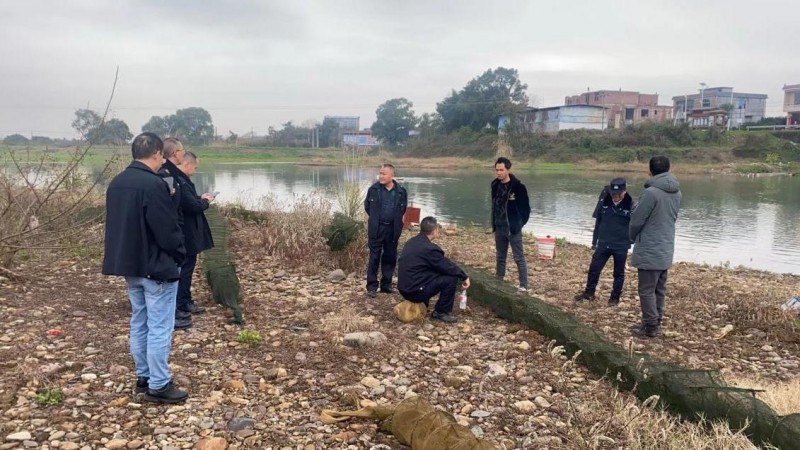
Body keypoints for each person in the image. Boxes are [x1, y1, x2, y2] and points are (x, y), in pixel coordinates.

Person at [102, 132, 188, 404]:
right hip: (157, 266)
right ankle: (159, 384)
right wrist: (180, 254)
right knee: (160, 326)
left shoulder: (117, 182)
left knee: (139, 321)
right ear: (156, 155)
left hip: (131, 265)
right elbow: (166, 229)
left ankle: (144, 376)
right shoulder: (153, 185)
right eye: (161, 155)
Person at [630, 156, 682, 338]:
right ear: (669, 169)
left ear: (650, 171)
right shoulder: (677, 192)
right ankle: (656, 320)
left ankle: (651, 325)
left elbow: (636, 220)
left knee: (646, 290)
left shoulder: (651, 193)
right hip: (666, 247)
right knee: (659, 288)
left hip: (650, 248)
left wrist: (631, 237)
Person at [398, 216, 470, 323]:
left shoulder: (411, 242)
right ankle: (441, 312)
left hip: (404, 288)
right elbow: (447, 266)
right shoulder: (429, 249)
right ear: (434, 231)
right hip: (414, 291)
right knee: (451, 278)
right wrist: (464, 276)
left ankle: (424, 302)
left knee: (431, 270)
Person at [574, 178, 633, 306]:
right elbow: (598, 222)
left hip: (621, 245)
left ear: (624, 192)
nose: (615, 197)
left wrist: (631, 241)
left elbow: (635, 226)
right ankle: (589, 293)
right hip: (604, 243)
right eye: (613, 194)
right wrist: (594, 241)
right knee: (593, 269)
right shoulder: (604, 201)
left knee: (618, 273)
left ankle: (614, 298)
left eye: (618, 194)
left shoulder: (631, 204)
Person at [175, 151, 215, 317]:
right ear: (187, 164)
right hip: (186, 234)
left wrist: (199, 197)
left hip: (183, 232)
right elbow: (192, 207)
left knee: (185, 268)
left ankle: (183, 300)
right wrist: (205, 202)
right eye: (195, 167)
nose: (195, 171)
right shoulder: (180, 181)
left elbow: (188, 201)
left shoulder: (178, 180)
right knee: (186, 268)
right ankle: (183, 302)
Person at [159, 138, 192, 330]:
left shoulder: (173, 173)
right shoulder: (167, 174)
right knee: (171, 274)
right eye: (182, 150)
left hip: (175, 229)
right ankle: (171, 315)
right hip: (171, 230)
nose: (183, 153)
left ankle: (174, 310)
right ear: (174, 153)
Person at [364, 163, 408, 298]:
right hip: (377, 228)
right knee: (374, 257)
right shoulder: (373, 189)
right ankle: (372, 287)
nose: (381, 176)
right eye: (380, 173)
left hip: (392, 229)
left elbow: (403, 209)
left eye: (384, 174)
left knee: (390, 256)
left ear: (392, 176)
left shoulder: (401, 192)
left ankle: (386, 285)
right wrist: (376, 221)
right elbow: (367, 207)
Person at [491, 157, 531, 292]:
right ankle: (499, 280)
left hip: (512, 229)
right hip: (499, 227)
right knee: (500, 256)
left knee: (518, 257)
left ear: (508, 170)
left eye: (501, 170)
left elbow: (526, 210)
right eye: (497, 170)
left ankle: (523, 285)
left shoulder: (518, 188)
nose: (498, 173)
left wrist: (518, 224)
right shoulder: (494, 185)